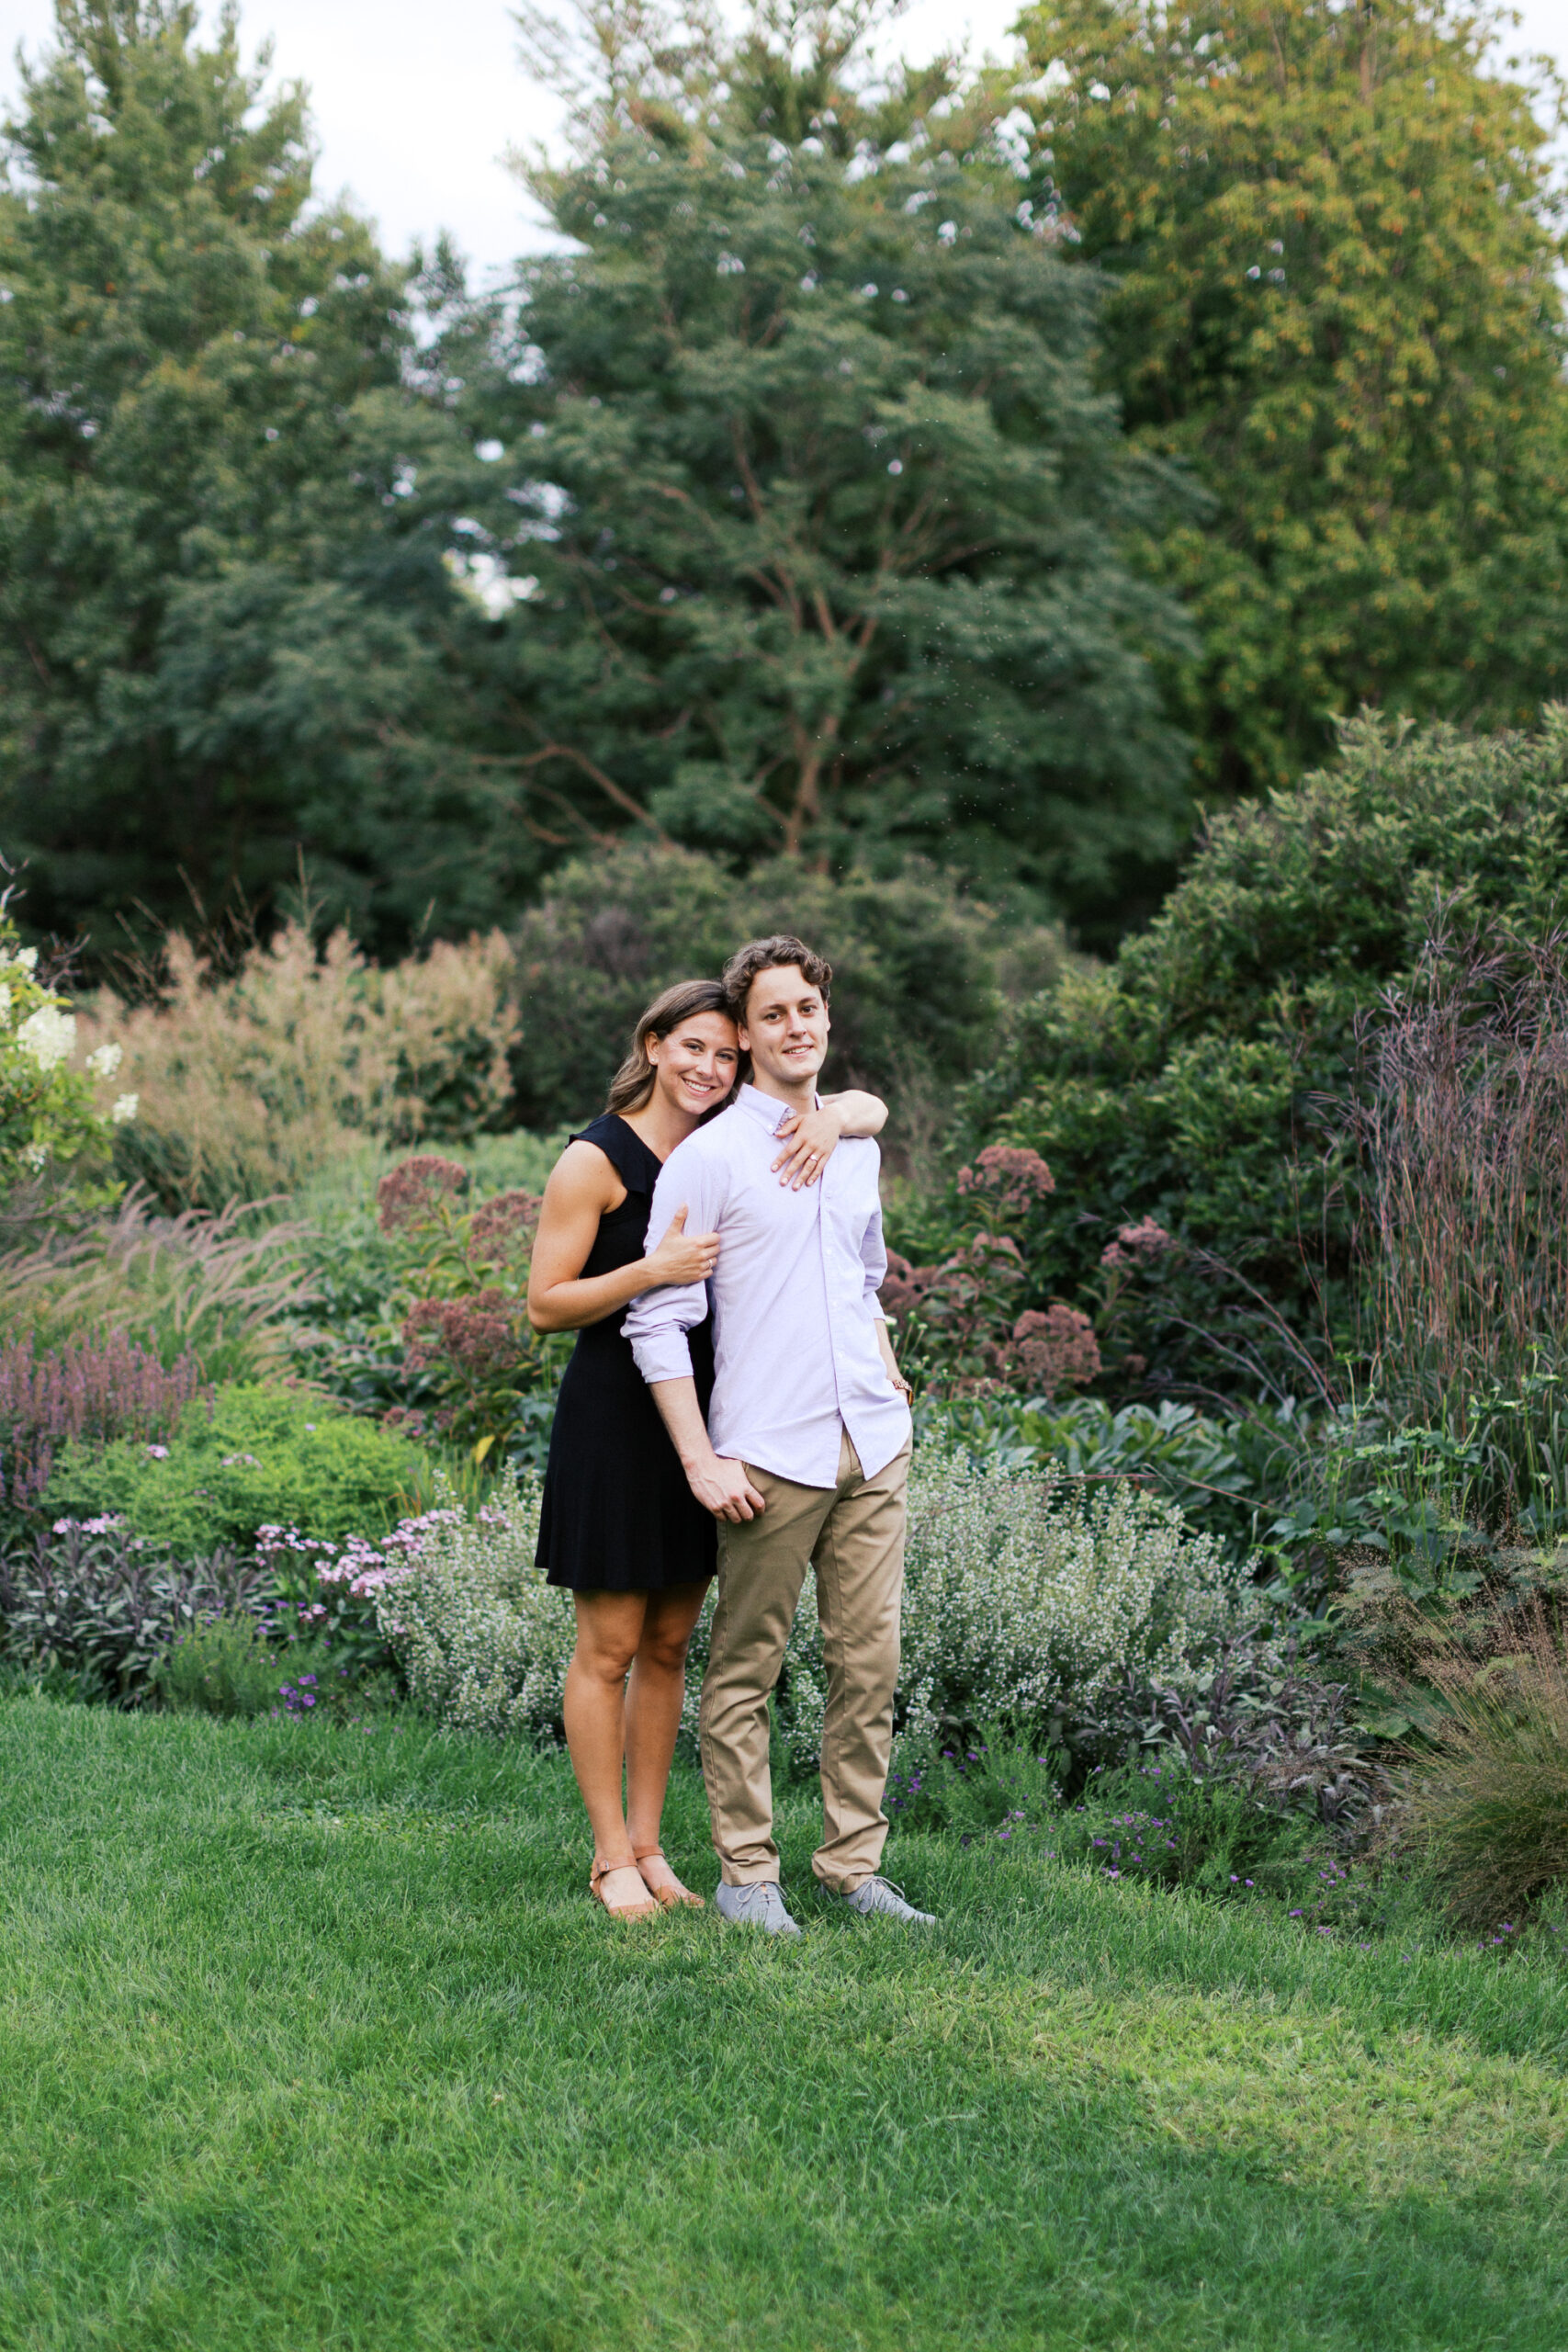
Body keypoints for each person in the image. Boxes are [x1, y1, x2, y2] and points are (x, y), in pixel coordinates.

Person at [527, 978, 889, 1921]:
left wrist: (843, 1111)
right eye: (693, 1048)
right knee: (607, 1645)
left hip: (721, 1413)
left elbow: (843, 1107)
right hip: (620, 1415)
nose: (710, 1067)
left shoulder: (724, 1139)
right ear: (652, 1044)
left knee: (672, 1642)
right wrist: (648, 1269)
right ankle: (609, 1854)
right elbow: (542, 1305)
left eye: (724, 1055)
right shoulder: (596, 1159)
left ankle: (652, 1847)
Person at [624, 937, 932, 1935]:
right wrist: (700, 1459)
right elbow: (656, 1319)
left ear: (826, 1019)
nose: (795, 1026)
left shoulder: (858, 1146)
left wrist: (881, 1351)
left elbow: (862, 1274)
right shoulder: (707, 1158)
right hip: (767, 1453)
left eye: (808, 1008)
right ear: (747, 1035)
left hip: (872, 1440)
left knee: (870, 1661)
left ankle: (853, 1865)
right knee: (747, 1667)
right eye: (773, 1015)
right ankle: (747, 1874)